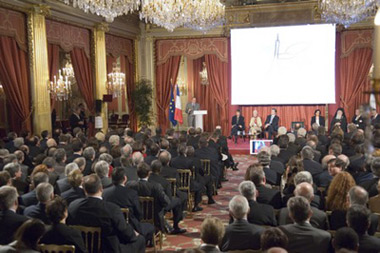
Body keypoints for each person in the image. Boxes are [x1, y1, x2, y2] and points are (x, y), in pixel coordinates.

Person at [67, 174, 146, 252]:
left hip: (82, 248)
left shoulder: (73, 206)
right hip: (108, 249)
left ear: (84, 190)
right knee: (140, 240)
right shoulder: (112, 209)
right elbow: (125, 232)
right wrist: (134, 234)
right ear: (101, 189)